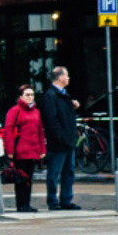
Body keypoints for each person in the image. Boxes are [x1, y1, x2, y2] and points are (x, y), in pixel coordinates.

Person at [40, 66, 81, 210]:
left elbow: (64, 115)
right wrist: (61, 137)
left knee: (69, 171)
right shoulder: (51, 95)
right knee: (54, 172)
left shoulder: (63, 95)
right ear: (60, 77)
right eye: (67, 75)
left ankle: (66, 199)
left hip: (68, 140)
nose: (68, 78)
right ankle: (53, 200)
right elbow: (51, 120)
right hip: (59, 142)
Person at [3, 85, 46, 213]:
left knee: (28, 179)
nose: (30, 97)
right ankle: (21, 204)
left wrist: (42, 149)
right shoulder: (15, 111)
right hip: (20, 150)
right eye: (27, 95)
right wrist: (10, 150)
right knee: (20, 179)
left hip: (32, 150)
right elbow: (8, 131)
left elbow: (40, 131)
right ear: (21, 96)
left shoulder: (36, 112)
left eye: (32, 95)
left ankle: (26, 204)